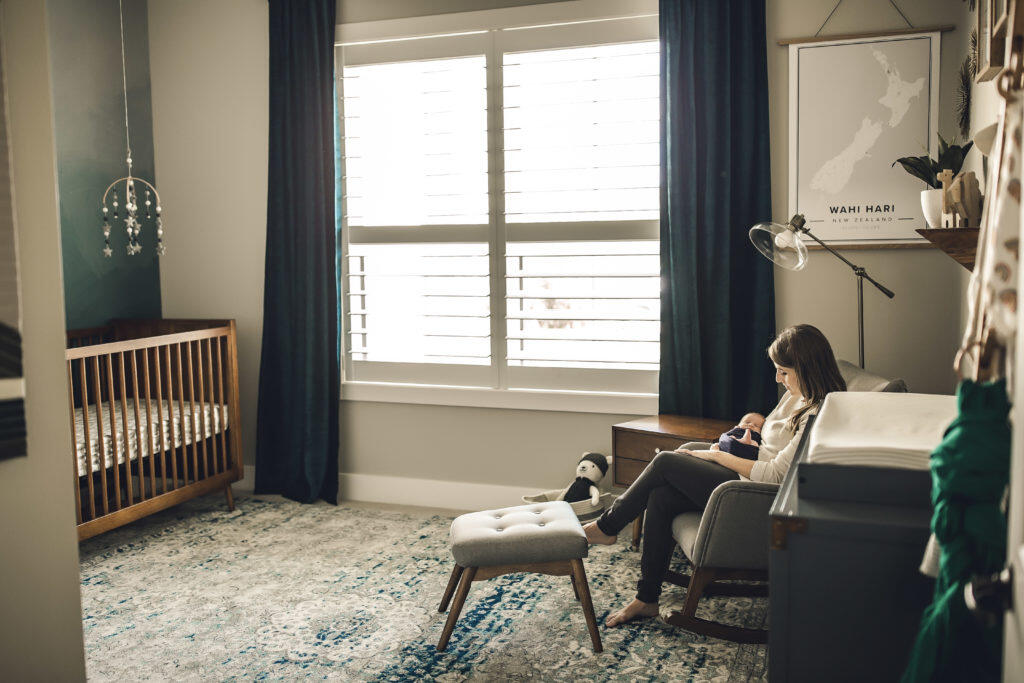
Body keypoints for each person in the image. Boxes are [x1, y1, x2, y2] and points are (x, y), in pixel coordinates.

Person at [583, 324, 846, 627]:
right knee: (662, 495)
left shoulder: (817, 414)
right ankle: (647, 599)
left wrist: (715, 455)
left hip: (752, 497)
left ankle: (607, 526)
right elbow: (768, 446)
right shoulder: (797, 394)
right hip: (742, 477)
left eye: (783, 371)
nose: (777, 378)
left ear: (806, 367)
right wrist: (734, 443)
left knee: (666, 462)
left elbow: (774, 476)